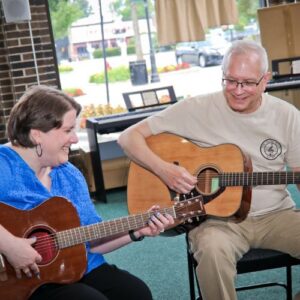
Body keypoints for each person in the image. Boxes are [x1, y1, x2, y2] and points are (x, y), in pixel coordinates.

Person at [118, 40, 300, 300]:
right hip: (217, 221)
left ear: (266, 79)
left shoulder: (287, 115)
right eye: (230, 80)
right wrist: (164, 170)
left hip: (276, 215)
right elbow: (128, 138)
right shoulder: (196, 108)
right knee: (212, 250)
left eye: (247, 83)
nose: (237, 90)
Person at [0, 85, 174, 300]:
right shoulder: (4, 164)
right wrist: (10, 245)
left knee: (135, 293)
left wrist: (137, 231)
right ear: (37, 135)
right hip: (24, 282)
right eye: (67, 130)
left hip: (77, 267)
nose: (74, 139)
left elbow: (91, 240)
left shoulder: (69, 175)